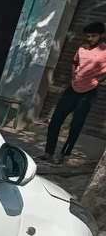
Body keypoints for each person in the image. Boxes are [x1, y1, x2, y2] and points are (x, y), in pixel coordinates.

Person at [44, 21, 106, 163]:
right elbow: (75, 62)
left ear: (101, 35)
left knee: (76, 125)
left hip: (89, 92)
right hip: (72, 89)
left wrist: (98, 80)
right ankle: (48, 153)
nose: (90, 38)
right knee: (55, 121)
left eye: (93, 36)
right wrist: (74, 75)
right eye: (88, 36)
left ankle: (64, 155)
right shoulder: (82, 48)